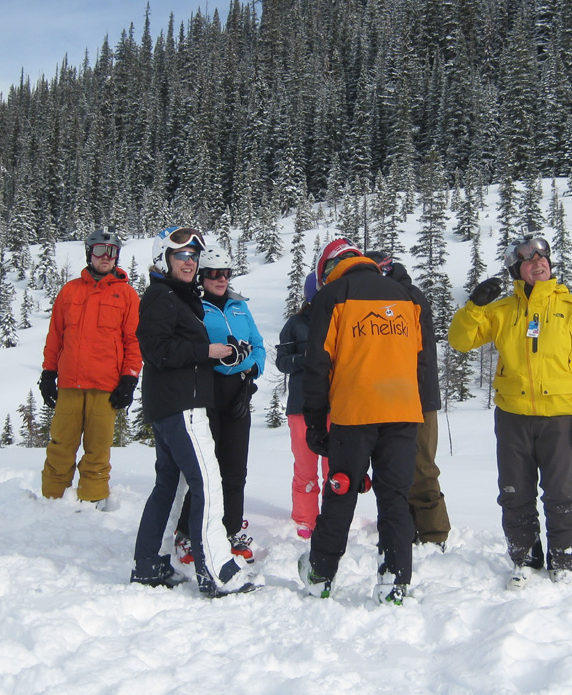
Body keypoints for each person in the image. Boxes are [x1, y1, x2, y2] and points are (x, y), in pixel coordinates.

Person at [448, 234, 572, 589]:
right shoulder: (503, 311)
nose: (538, 262)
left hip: (560, 418)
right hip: (513, 418)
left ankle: (563, 562)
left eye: (542, 256)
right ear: (516, 269)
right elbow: (460, 340)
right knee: (514, 493)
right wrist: (474, 306)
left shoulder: (571, 308)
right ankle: (525, 559)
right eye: (528, 258)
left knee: (562, 493)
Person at [297, 238, 425, 606]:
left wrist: (315, 423)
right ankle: (394, 582)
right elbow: (419, 354)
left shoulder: (332, 296)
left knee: (342, 492)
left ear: (327, 269)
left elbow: (317, 363)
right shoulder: (406, 296)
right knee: (395, 497)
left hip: (355, 413)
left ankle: (320, 574)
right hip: (403, 411)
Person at [130, 226, 255, 596]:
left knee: (169, 486)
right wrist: (209, 351)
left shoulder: (178, 297)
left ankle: (150, 563)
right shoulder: (161, 296)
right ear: (164, 258)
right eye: (181, 256)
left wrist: (224, 352)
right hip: (181, 406)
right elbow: (158, 350)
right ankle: (217, 573)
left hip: (173, 404)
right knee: (208, 485)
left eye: (193, 256)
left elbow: (180, 348)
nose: (189, 263)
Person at [174, 246, 265, 564]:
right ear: (202, 276)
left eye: (226, 273)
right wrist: (219, 357)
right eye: (214, 273)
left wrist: (251, 368)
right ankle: (187, 532)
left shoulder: (240, 306)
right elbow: (189, 347)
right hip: (206, 392)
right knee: (204, 467)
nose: (221, 279)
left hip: (238, 393)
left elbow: (258, 345)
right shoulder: (195, 306)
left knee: (235, 468)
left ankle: (231, 529)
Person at [39, 227, 141, 510]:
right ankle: (52, 501)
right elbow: (55, 336)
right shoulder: (70, 291)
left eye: (112, 252)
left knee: (98, 449)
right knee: (60, 445)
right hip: (70, 383)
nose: (106, 257)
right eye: (100, 251)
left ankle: (93, 501)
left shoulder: (127, 295)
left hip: (105, 386)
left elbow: (134, 341)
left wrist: (129, 379)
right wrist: (48, 373)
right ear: (89, 253)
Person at [366, 251, 450, 550]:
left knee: (422, 466)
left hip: (418, 398)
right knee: (395, 468)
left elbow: (421, 353)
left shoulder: (409, 297)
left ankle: (433, 534)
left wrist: (415, 393)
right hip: (390, 398)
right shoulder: (382, 298)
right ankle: (405, 529)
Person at [276, 272, 329, 539]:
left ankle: (333, 517)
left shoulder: (340, 319)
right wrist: (304, 359)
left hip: (335, 408)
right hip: (302, 408)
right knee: (306, 468)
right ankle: (305, 519)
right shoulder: (296, 323)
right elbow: (282, 361)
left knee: (335, 468)